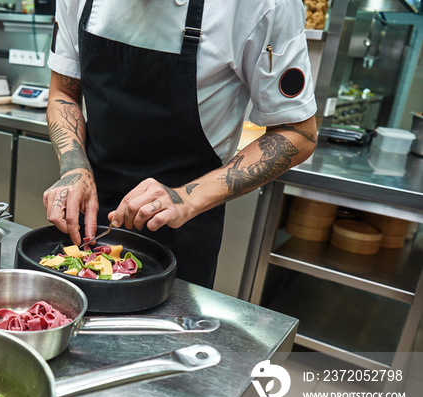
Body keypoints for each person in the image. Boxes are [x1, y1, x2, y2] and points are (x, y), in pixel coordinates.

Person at [43, 0, 318, 287]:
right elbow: (63, 91)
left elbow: (298, 131)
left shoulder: (262, 5)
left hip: (185, 225)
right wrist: (74, 167)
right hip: (91, 212)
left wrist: (186, 199)